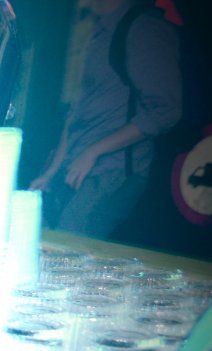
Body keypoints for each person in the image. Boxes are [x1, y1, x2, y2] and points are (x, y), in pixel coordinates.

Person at [29, 0, 181, 239]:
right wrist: (51, 171)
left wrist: (93, 152)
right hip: (75, 167)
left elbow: (165, 111)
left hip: (113, 172)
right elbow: (75, 113)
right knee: (40, 240)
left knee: (69, 248)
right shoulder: (96, 31)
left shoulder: (144, 28)